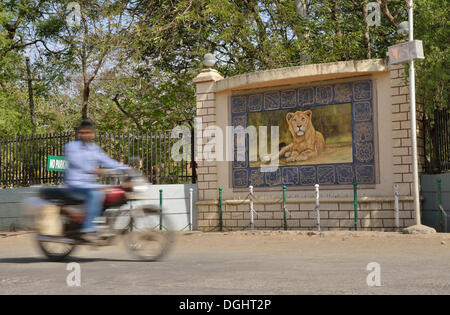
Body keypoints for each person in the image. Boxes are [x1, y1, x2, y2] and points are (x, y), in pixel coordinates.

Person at [64, 119, 128, 241]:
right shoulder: (71, 147)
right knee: (96, 194)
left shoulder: (94, 149)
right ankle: (88, 229)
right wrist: (95, 170)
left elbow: (107, 161)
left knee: (111, 192)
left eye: (88, 132)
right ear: (79, 133)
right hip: (74, 185)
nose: (85, 135)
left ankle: (102, 224)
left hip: (88, 185)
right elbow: (78, 163)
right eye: (83, 132)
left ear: (93, 133)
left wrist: (126, 168)